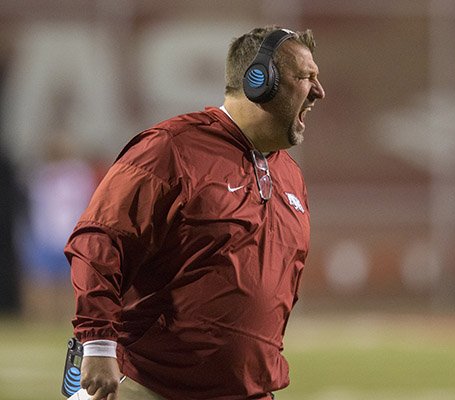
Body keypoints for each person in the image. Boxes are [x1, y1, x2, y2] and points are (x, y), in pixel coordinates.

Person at [64, 25, 325, 400]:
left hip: (246, 391)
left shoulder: (290, 176)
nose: (318, 91)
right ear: (258, 80)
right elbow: (98, 241)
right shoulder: (172, 149)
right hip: (148, 385)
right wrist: (98, 342)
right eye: (305, 77)